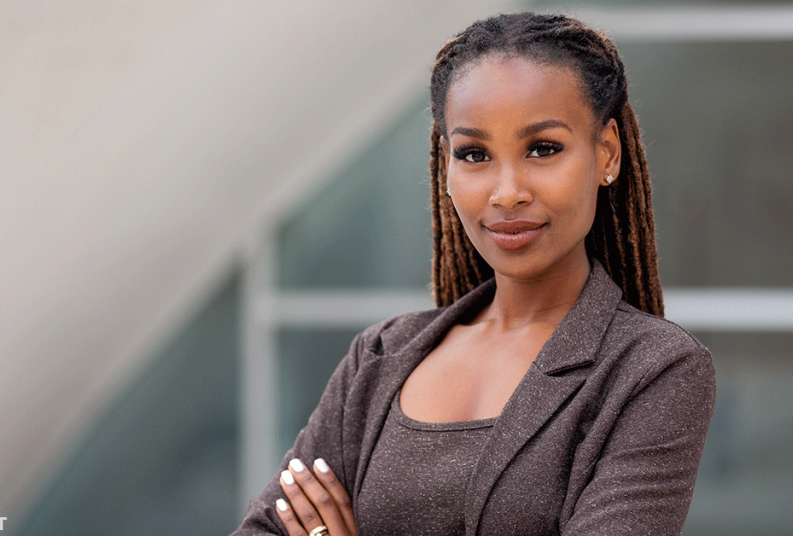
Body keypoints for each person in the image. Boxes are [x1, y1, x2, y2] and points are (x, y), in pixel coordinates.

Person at [233, 12, 715, 536]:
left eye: (543, 148)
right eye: (475, 154)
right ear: (446, 167)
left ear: (607, 152)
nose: (506, 192)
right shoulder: (379, 358)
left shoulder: (652, 372)